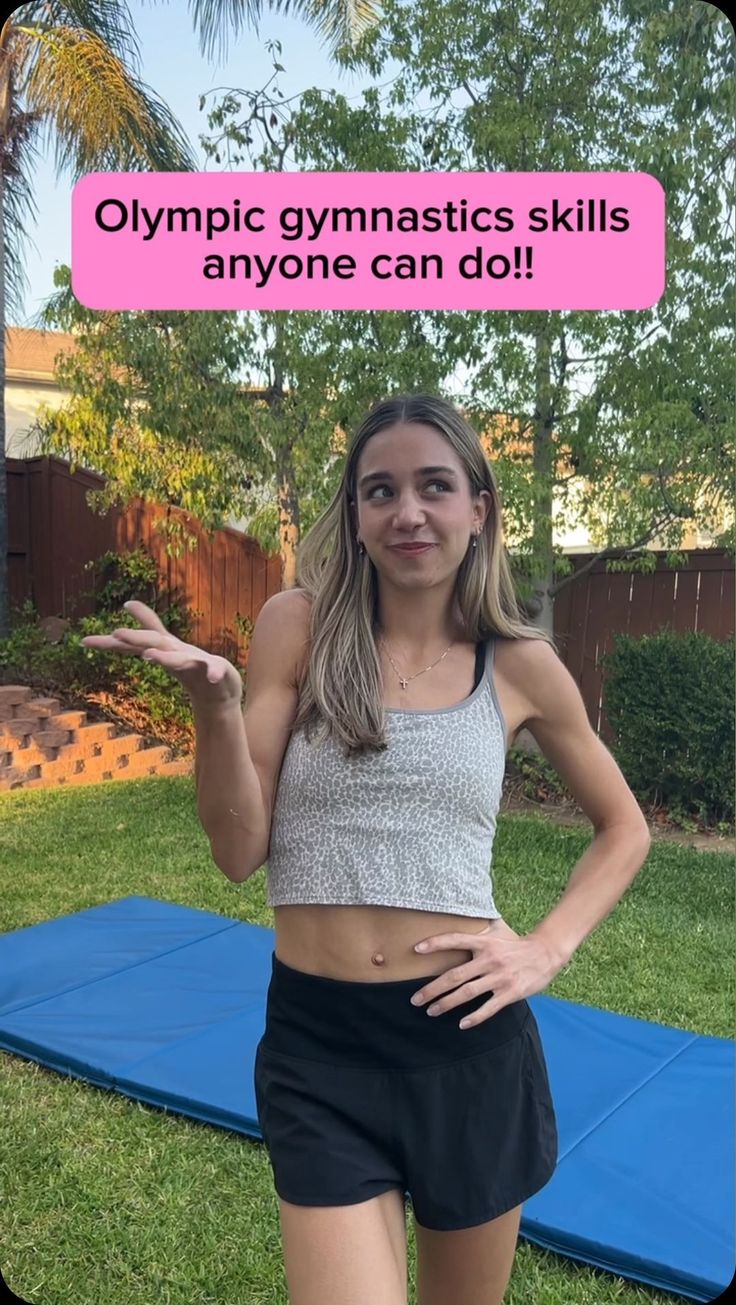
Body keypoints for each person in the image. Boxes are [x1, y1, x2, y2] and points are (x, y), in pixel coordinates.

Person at [85, 393, 651, 1305]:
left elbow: (626, 827)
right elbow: (239, 851)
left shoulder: (517, 663)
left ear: (479, 506)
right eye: (380, 490)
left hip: (467, 1046)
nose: (409, 512)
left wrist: (546, 947)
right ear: (354, 516)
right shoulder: (297, 627)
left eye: (435, 485)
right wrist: (216, 708)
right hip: (320, 1046)